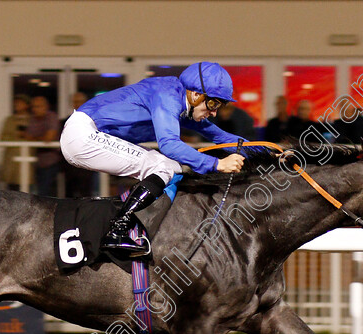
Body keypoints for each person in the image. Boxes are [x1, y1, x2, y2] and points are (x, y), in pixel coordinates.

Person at [60, 61, 260, 256]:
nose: (215, 112)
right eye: (214, 102)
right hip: (83, 135)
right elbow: (170, 144)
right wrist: (217, 164)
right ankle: (117, 231)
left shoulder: (186, 104)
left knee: (170, 167)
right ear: (196, 94)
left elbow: (222, 137)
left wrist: (270, 152)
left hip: (90, 136)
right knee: (163, 166)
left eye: (220, 105)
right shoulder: (168, 96)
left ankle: (134, 228)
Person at [25, 96, 61, 196]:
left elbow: (49, 138)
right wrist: (39, 138)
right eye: (34, 107)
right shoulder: (32, 119)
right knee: (35, 191)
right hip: (35, 160)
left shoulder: (52, 117)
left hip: (51, 160)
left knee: (46, 192)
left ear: (46, 107)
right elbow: (27, 137)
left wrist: (35, 138)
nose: (36, 109)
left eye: (39, 106)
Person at [0, 94, 31, 189]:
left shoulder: (32, 120)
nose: (17, 105)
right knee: (12, 186)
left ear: (26, 105)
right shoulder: (9, 120)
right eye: (16, 103)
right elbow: (3, 137)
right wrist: (15, 136)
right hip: (11, 157)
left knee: (26, 184)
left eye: (20, 103)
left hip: (27, 156)